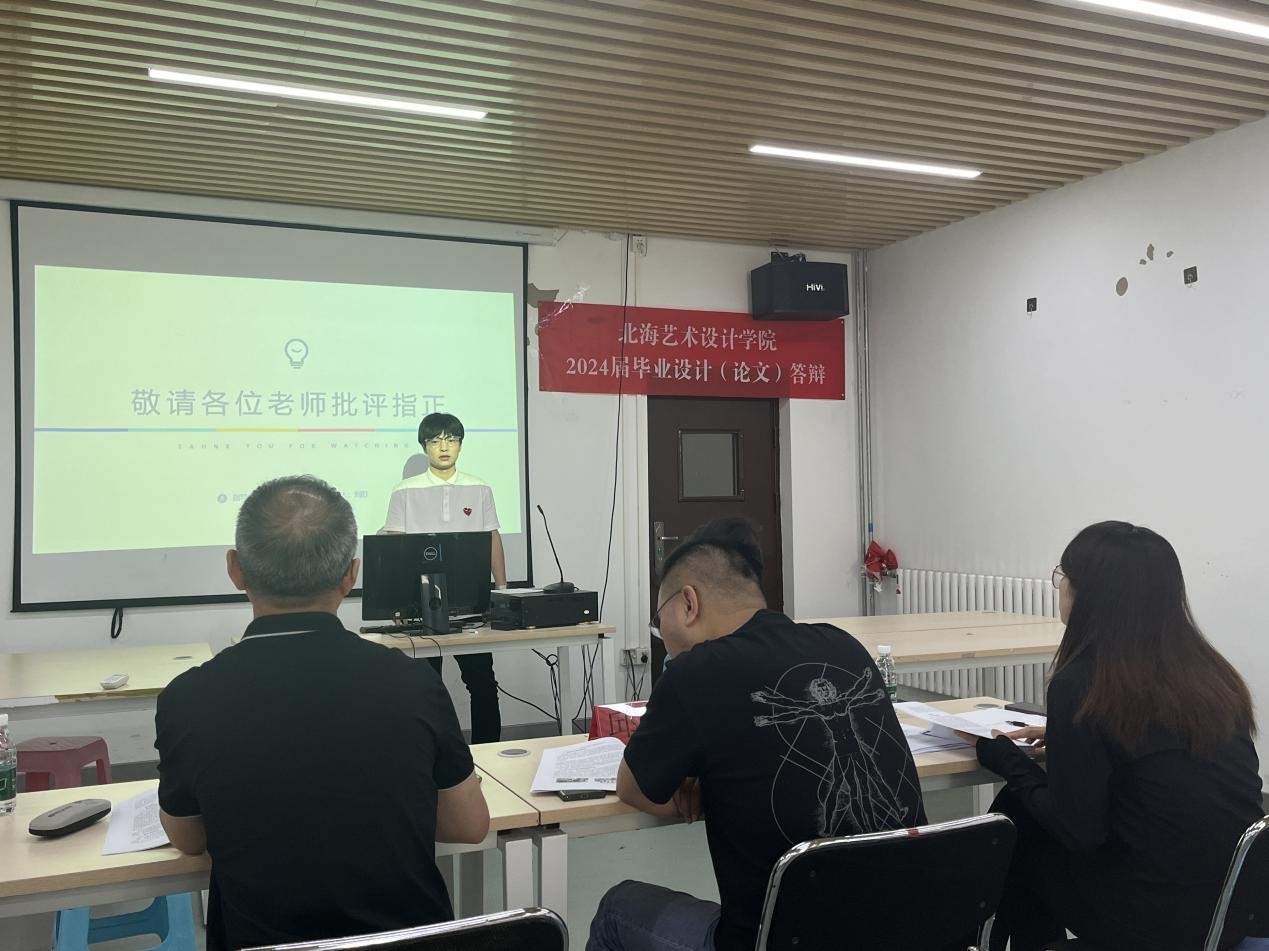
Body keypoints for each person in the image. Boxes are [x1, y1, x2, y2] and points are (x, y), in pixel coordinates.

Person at [155, 475, 490, 951]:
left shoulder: (187, 699)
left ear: (235, 570)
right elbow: (468, 826)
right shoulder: (414, 685)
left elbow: (189, 839)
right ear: (351, 574)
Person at [587, 517, 925, 951]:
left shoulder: (694, 673)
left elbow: (633, 788)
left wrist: (701, 789)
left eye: (659, 619)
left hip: (779, 940)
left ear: (688, 603)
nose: (662, 636)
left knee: (617, 909)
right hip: (914, 930)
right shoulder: (844, 645)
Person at [974, 521, 1263, 951]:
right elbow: (1156, 755)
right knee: (1029, 819)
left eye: (1063, 576)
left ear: (1086, 593)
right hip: (1231, 910)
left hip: (1153, 922)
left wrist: (1005, 759)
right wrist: (1066, 738)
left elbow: (1079, 831)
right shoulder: (1209, 674)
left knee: (1019, 824)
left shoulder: (1082, 683)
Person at [383, 412, 505, 743]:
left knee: (482, 683)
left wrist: (502, 590)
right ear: (424, 446)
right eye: (435, 440)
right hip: (420, 603)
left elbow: (492, 538)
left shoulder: (479, 487)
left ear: (461, 444)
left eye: (451, 439)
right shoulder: (405, 491)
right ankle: (433, 754)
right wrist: (395, 599)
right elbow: (394, 545)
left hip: (471, 604)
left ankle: (487, 751)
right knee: (426, 687)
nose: (444, 447)